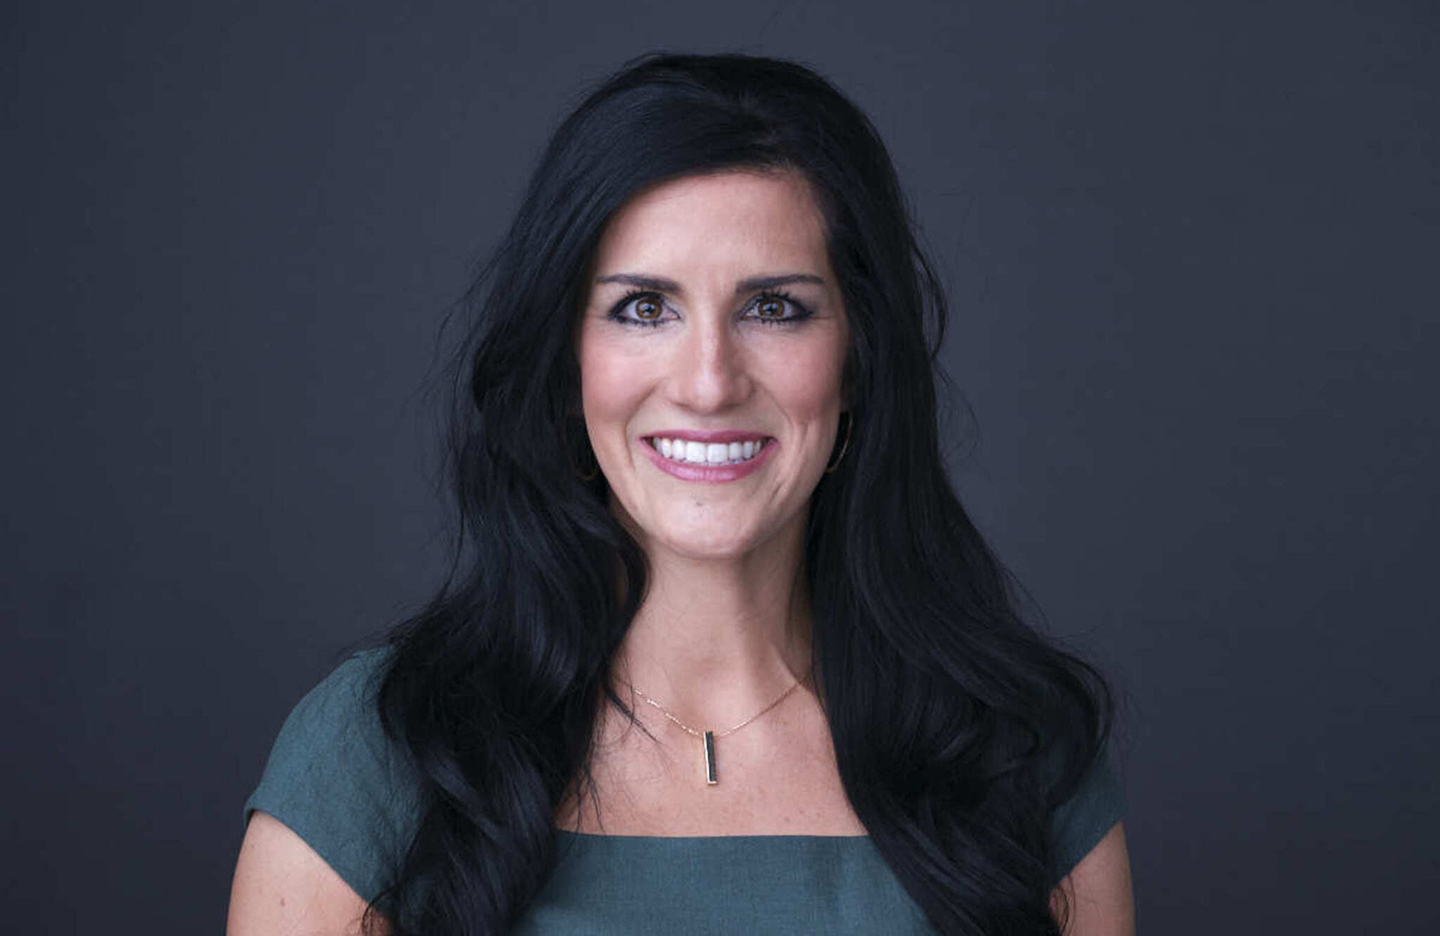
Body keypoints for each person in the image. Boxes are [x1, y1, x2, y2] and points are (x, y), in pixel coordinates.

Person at [227, 53, 1134, 935]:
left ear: (858, 362)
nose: (708, 383)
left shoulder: (1017, 755)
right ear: (565, 361)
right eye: (643, 309)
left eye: (773, 307)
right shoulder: (381, 754)